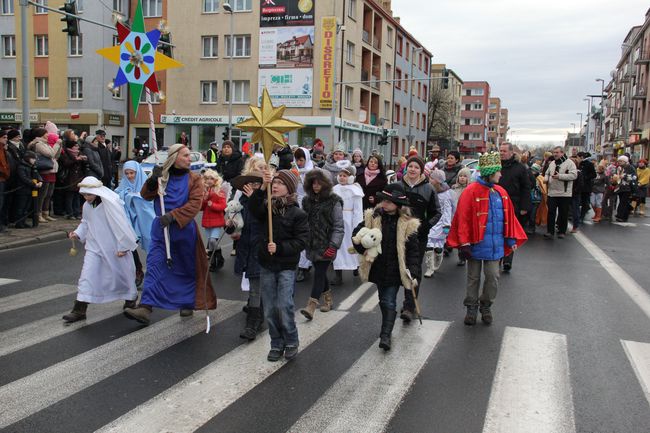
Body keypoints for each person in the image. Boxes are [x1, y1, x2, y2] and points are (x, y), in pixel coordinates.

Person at [124, 144, 216, 324]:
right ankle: (146, 306)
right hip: (160, 230)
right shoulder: (161, 176)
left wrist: (173, 216)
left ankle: (186, 303)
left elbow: (195, 204)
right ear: (174, 157)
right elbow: (146, 195)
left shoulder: (195, 179)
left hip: (183, 231)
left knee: (185, 268)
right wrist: (152, 181)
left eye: (189, 155)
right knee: (154, 265)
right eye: (185, 156)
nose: (189, 159)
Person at [447, 152, 527, 326]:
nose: (500, 174)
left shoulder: (501, 193)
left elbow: (509, 219)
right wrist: (464, 243)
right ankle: (471, 307)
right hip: (475, 244)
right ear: (490, 172)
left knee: (493, 277)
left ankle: (486, 305)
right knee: (473, 278)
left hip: (495, 245)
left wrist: (511, 240)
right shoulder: (470, 191)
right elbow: (462, 219)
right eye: (498, 171)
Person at [248, 168, 309, 362]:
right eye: (274, 182)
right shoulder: (266, 208)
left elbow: (302, 241)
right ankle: (276, 343)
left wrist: (280, 247)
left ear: (289, 188)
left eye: (280, 183)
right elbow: (253, 209)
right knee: (270, 308)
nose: (275, 185)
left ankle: (291, 340)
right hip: (267, 263)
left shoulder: (298, 213)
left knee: (284, 305)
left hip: (286, 266)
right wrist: (262, 186)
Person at [352, 183, 420, 351]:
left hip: (396, 269)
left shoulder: (407, 224)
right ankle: (387, 327)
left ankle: (385, 335)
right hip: (379, 267)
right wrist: (363, 246)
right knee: (383, 300)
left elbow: (413, 251)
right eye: (383, 200)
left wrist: (413, 270)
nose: (384, 204)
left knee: (388, 300)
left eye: (389, 201)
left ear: (397, 204)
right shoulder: (373, 217)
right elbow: (357, 235)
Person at [63, 176, 139, 322]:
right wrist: (77, 233)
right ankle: (79, 309)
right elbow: (85, 222)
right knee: (87, 276)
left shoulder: (109, 204)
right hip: (94, 248)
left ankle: (130, 299)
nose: (86, 197)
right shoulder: (86, 205)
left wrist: (123, 246)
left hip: (114, 247)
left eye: (89, 194)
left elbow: (121, 224)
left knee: (122, 275)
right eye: (84, 195)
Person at [299, 168, 344, 320]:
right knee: (320, 272)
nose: (316, 186)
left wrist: (333, 246)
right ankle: (329, 300)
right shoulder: (306, 201)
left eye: (319, 183)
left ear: (325, 184)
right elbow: (303, 222)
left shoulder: (334, 201)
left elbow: (339, 226)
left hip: (327, 245)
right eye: (313, 183)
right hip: (311, 244)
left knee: (319, 273)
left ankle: (311, 305)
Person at [400, 156, 441, 322]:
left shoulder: (428, 189)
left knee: (414, 269)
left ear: (421, 170)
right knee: (398, 269)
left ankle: (409, 306)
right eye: (410, 166)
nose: (412, 170)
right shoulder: (398, 186)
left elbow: (436, 212)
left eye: (416, 167)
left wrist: (425, 226)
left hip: (418, 236)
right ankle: (395, 302)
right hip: (398, 234)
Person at [229, 159, 266, 340]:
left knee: (256, 284)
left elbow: (261, 215)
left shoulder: (266, 200)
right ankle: (258, 310)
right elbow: (237, 223)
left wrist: (255, 198)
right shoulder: (241, 200)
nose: (253, 186)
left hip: (261, 247)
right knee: (253, 282)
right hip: (246, 245)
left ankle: (253, 321)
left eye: (257, 183)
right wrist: (231, 227)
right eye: (250, 183)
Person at [115, 160, 155, 287]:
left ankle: (153, 273)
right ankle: (137, 270)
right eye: (127, 173)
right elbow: (117, 196)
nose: (129, 176)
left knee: (152, 246)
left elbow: (149, 202)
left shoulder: (146, 186)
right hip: (130, 220)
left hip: (145, 220)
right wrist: (126, 196)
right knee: (129, 244)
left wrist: (134, 197)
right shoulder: (123, 186)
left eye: (132, 173)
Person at [498, 143, 531, 272]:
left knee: (510, 232)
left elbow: (526, 187)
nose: (501, 153)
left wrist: (524, 206)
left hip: (513, 204)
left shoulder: (520, 168)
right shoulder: (496, 166)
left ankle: (507, 259)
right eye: (500, 151)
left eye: (504, 151)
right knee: (498, 232)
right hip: (497, 203)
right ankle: (498, 258)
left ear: (511, 152)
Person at [332, 165, 364, 284]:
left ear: (351, 177)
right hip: (337, 221)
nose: (341, 178)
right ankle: (338, 274)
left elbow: (358, 210)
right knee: (337, 246)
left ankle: (356, 267)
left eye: (344, 176)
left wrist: (357, 226)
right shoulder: (334, 189)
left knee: (352, 246)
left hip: (349, 222)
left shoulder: (355, 190)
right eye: (340, 175)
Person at [424, 169, 455, 278]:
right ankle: (429, 267)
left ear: (438, 181)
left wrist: (447, 224)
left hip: (441, 223)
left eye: (432, 178)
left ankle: (438, 254)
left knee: (437, 247)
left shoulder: (445, 194)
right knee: (428, 246)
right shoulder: (429, 189)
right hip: (431, 221)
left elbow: (447, 210)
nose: (430, 179)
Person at [29, 128, 61, 223]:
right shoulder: (38, 144)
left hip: (51, 170)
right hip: (44, 171)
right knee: (42, 194)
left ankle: (45, 213)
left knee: (49, 194)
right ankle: (38, 214)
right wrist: (56, 144)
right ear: (41, 134)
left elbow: (55, 155)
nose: (48, 135)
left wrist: (59, 146)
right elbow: (50, 154)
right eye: (46, 133)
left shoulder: (46, 143)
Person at [544, 146, 577, 239]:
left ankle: (562, 231)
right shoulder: (553, 163)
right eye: (554, 152)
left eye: (557, 152)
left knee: (563, 213)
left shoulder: (569, 163)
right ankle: (550, 231)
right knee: (551, 212)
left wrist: (560, 176)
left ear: (562, 153)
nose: (555, 154)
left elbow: (574, 175)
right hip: (552, 192)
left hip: (564, 193)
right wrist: (546, 179)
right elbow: (547, 173)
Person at [294, 147, 315, 282]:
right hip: (296, 204)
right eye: (297, 160)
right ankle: (301, 264)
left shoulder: (313, 172)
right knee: (297, 235)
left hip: (309, 204)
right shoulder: (293, 171)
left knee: (307, 236)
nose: (299, 162)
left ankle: (304, 266)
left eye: (301, 160)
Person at [201, 169, 227, 271]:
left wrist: (213, 205)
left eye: (211, 178)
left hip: (216, 220)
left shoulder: (219, 191)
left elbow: (223, 206)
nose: (209, 180)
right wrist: (204, 199)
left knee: (212, 241)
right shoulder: (205, 191)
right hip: (207, 220)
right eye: (207, 178)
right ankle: (214, 262)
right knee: (210, 243)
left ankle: (219, 257)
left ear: (216, 180)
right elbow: (202, 207)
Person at [59, 130, 87, 220]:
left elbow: (83, 165)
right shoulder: (66, 153)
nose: (77, 148)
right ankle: (70, 213)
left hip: (78, 177)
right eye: (75, 146)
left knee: (77, 196)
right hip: (69, 177)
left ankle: (77, 212)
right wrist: (76, 159)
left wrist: (84, 160)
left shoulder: (78, 153)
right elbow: (66, 163)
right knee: (70, 196)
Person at [13, 151, 43, 228]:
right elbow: (24, 178)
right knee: (21, 207)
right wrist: (34, 184)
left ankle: (23, 221)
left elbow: (37, 175)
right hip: (22, 190)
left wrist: (40, 181)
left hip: (30, 189)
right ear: (28, 158)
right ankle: (19, 223)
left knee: (27, 206)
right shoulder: (21, 167)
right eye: (33, 158)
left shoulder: (32, 167)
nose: (34, 160)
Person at [615, 155, 637, 222]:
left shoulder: (630, 168)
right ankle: (621, 214)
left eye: (621, 161)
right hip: (620, 187)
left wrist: (624, 177)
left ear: (625, 161)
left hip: (628, 188)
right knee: (622, 202)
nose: (619, 162)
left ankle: (623, 217)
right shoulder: (619, 168)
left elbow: (634, 177)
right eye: (619, 161)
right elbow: (617, 175)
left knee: (624, 202)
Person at [578, 152, 596, 222]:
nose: (577, 159)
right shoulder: (579, 164)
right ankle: (578, 215)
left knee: (584, 202)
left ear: (581, 157)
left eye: (578, 157)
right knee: (578, 201)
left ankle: (582, 216)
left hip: (586, 186)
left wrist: (585, 177)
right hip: (579, 186)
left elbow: (594, 175)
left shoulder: (589, 164)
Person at [569, 156, 584, 234]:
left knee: (575, 210)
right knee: (565, 210)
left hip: (575, 194)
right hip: (566, 194)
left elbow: (580, 184)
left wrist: (574, 191)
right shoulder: (566, 171)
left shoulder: (578, 173)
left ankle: (575, 226)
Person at [0, 131, 9, 232]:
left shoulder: (3, 149)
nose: (6, 139)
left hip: (3, 178)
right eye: (4, 137)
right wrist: (5, 172)